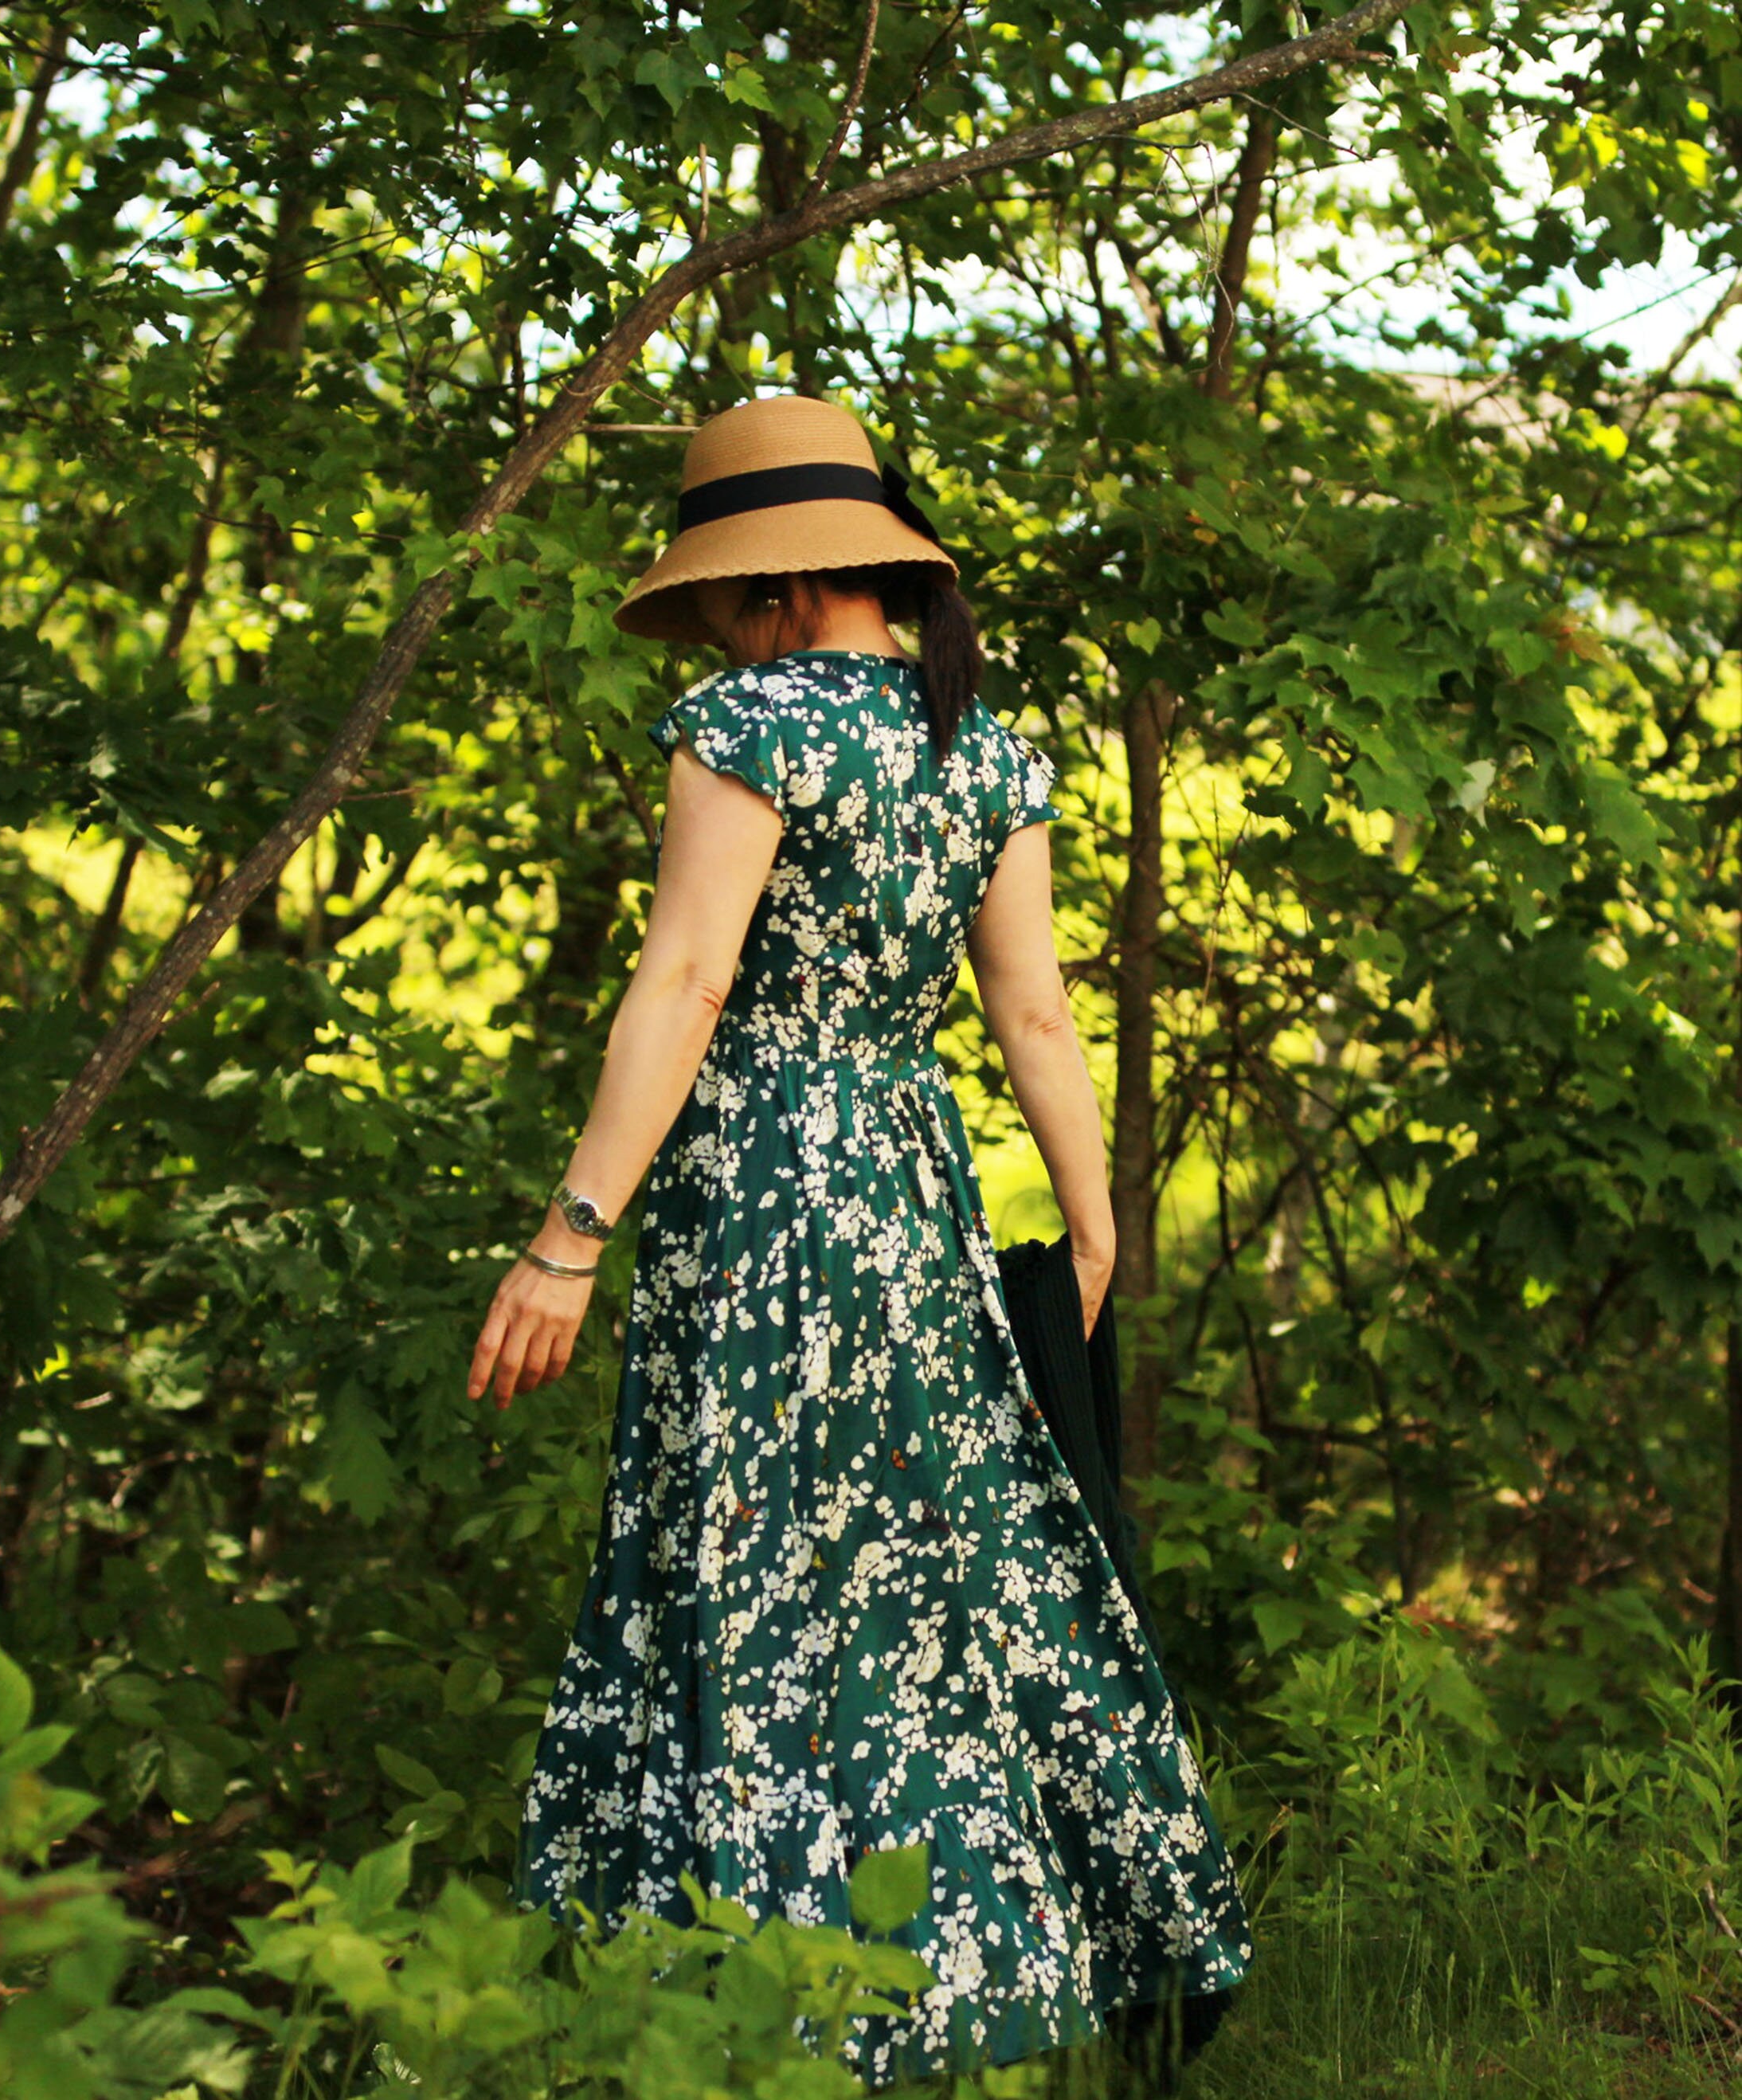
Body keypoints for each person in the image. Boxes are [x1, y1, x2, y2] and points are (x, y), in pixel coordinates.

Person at [468, 394, 1252, 2084]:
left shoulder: (746, 722)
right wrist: (1094, 1223)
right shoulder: (986, 746)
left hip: (756, 1192)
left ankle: (745, 1999)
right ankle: (985, 1979)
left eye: (716, 595)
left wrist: (571, 1233)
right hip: (909, 1188)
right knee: (935, 1566)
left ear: (771, 583)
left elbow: (687, 982)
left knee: (749, 1566)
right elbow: (1035, 1012)